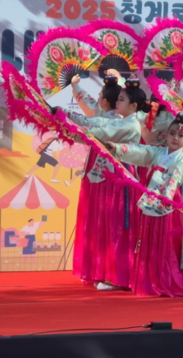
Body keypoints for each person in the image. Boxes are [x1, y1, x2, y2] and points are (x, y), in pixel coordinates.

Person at [60, 76, 149, 291]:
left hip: (119, 178)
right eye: (117, 99)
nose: (117, 102)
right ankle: (106, 272)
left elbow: (101, 131)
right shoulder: (122, 120)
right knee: (108, 224)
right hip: (110, 176)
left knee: (118, 227)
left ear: (133, 106)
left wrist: (67, 124)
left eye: (121, 99)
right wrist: (65, 116)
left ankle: (118, 276)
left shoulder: (130, 124)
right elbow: (97, 123)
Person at [109, 112, 183, 297]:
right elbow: (141, 151)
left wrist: (165, 197)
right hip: (153, 198)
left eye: (180, 135)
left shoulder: (182, 161)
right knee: (150, 238)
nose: (175, 138)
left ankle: (166, 279)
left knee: (165, 239)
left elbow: (174, 179)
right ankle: (150, 278)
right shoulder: (158, 152)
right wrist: (117, 148)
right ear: (166, 135)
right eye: (172, 134)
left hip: (170, 204)